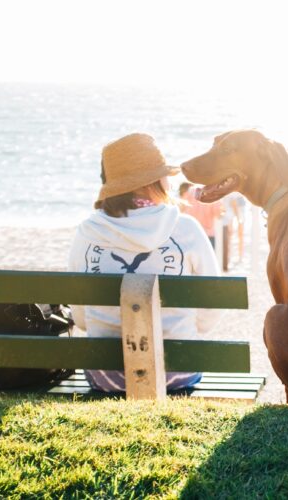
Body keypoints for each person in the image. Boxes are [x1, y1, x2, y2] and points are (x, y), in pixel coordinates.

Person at [68, 133, 222, 392]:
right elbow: (213, 305)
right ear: (155, 181)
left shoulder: (87, 232)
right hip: (177, 369)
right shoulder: (185, 228)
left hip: (106, 374)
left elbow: (81, 319)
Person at [179, 182, 223, 247]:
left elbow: (181, 209)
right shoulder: (213, 192)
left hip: (191, 233)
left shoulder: (191, 190)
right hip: (208, 235)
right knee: (208, 257)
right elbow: (219, 215)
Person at [221, 192, 246, 270]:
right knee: (232, 233)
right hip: (231, 199)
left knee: (238, 233)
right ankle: (233, 256)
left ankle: (239, 256)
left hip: (237, 199)